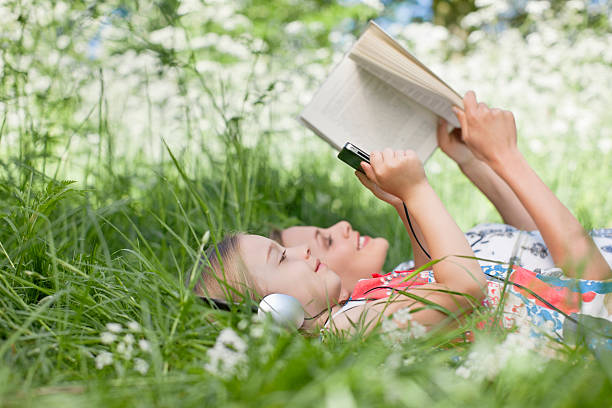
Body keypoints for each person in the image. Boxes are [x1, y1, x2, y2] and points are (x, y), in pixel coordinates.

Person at [194, 92, 612, 337]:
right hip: (588, 308)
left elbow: (427, 279)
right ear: (272, 309)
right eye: (283, 257)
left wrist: (405, 204)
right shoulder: (348, 325)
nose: (303, 252)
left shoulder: (353, 307)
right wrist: (418, 188)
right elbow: (464, 287)